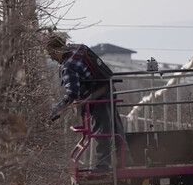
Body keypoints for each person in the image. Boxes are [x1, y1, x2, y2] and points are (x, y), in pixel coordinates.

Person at [45, 32, 130, 173]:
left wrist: (55, 111)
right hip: (108, 88)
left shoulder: (68, 66)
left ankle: (102, 166)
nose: (52, 59)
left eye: (51, 55)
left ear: (56, 50)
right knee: (116, 128)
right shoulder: (78, 48)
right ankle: (125, 160)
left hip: (97, 97)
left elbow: (72, 93)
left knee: (102, 131)